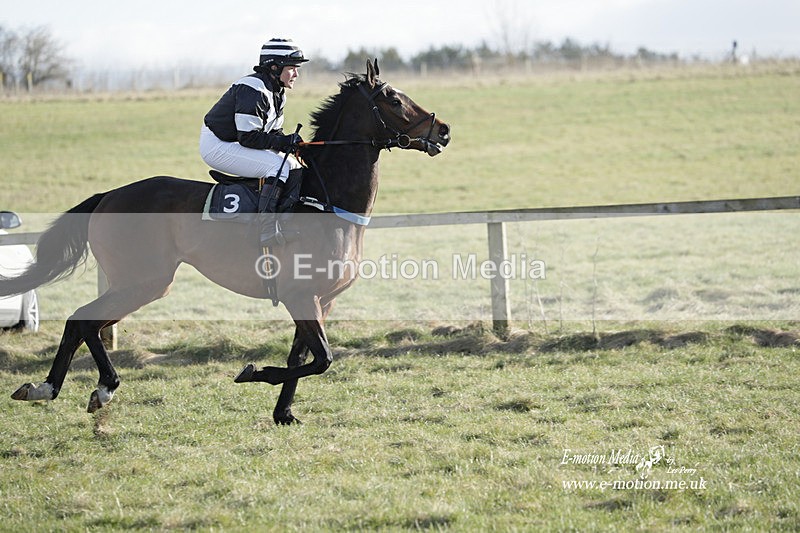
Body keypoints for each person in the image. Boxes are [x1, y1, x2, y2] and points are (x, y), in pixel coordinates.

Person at [200, 37, 308, 246]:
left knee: (293, 165)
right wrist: (284, 142)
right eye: (292, 68)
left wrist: (294, 144)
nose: (296, 74)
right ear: (275, 67)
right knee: (279, 167)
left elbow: (271, 131)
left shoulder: (277, 91)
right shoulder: (254, 89)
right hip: (218, 145)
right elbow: (249, 137)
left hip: (236, 142)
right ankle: (267, 229)